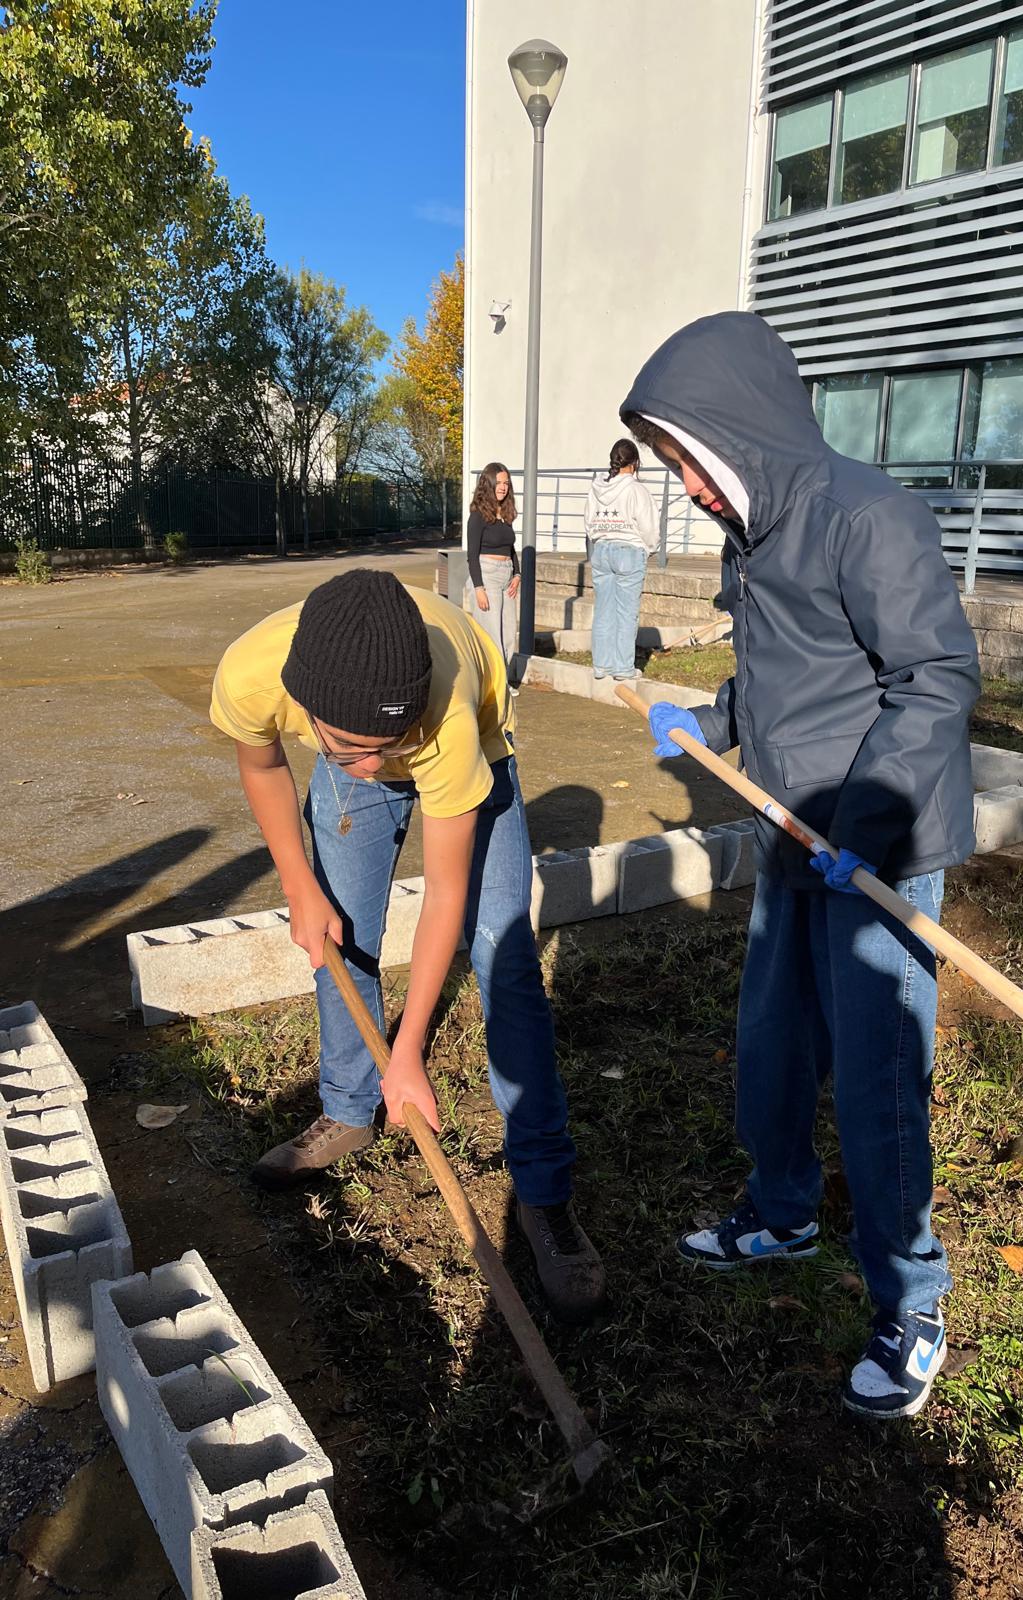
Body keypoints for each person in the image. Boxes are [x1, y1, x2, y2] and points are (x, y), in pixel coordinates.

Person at [620, 312, 980, 1418]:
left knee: (877, 1079)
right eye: (674, 463)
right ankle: (781, 1210)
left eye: (690, 459)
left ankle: (913, 1299)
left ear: (742, 431)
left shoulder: (869, 518)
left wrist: (862, 823)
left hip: (878, 849)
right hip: (791, 836)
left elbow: (935, 678)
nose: (687, 486)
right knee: (771, 1045)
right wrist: (714, 721)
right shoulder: (755, 532)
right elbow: (786, 679)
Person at [209, 568, 605, 1323]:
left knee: (503, 956)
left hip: (472, 749)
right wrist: (297, 884)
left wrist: (410, 1051)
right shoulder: (252, 674)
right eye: (353, 747)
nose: (373, 766)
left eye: (385, 746)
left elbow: (445, 895)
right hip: (358, 728)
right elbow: (262, 764)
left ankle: (545, 1194)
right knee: (342, 937)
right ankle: (347, 1111)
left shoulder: (445, 716)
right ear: (305, 703)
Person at [584, 438, 658, 681]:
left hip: (602, 549)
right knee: (626, 613)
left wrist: (600, 538)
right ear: (635, 463)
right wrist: (649, 548)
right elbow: (648, 526)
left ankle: (601, 665)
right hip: (629, 550)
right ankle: (623, 668)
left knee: (603, 610)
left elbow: (588, 522)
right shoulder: (636, 490)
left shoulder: (597, 488)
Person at [465, 462, 520, 686]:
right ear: (488, 484)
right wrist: (478, 588)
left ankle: (502, 681)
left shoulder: (505, 514)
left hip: (507, 576)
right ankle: (495, 686)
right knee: (492, 635)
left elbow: (510, 548)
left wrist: (517, 574)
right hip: (487, 576)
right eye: (498, 483)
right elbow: (472, 555)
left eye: (506, 483)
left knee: (509, 634)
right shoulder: (478, 516)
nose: (503, 487)